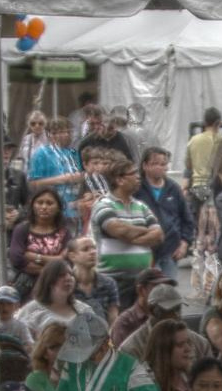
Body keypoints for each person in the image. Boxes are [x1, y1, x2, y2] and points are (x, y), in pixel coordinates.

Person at [93, 154, 162, 308]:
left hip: (141, 280)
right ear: (120, 179)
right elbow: (119, 230)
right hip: (113, 280)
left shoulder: (141, 206)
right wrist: (145, 230)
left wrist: (133, 237)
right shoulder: (104, 204)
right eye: (134, 174)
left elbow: (158, 235)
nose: (139, 177)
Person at [9, 186, 73, 292]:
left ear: (58, 208)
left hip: (58, 286)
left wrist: (34, 256)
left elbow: (67, 260)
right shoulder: (22, 229)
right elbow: (17, 259)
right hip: (27, 286)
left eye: (49, 203)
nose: (44, 207)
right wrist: (53, 264)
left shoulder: (64, 232)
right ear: (33, 205)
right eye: (40, 202)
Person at [29, 116, 85, 230]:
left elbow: (82, 176)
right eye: (65, 132)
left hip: (75, 210)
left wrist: (81, 177)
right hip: (55, 211)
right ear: (52, 134)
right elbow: (33, 184)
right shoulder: (42, 154)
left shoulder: (74, 153)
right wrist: (62, 179)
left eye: (69, 132)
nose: (69, 135)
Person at [16, 259, 90, 341]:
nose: (68, 278)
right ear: (49, 281)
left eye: (71, 274)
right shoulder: (31, 311)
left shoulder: (84, 310)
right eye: (62, 275)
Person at [143, 317, 199, 391]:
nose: (188, 349)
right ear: (164, 350)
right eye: (180, 345)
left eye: (188, 342)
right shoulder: (148, 387)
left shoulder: (194, 377)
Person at [66, 236, 121, 315]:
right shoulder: (66, 285)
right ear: (72, 256)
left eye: (94, 248)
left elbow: (113, 318)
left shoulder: (109, 283)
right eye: (85, 249)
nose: (93, 252)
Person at [184, 107, 222, 201]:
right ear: (219, 123)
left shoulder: (193, 140)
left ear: (205, 122)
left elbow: (188, 165)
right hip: (217, 187)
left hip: (197, 186)